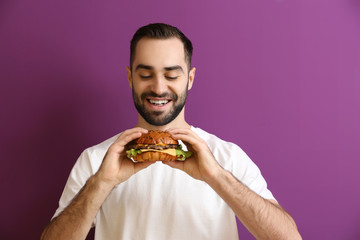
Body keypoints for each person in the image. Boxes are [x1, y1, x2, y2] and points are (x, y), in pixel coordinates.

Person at [41, 23, 301, 240]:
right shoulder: (96, 160)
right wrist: (102, 183)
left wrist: (216, 177)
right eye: (146, 74)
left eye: (171, 75)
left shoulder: (227, 157)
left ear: (190, 78)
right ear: (131, 78)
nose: (158, 87)